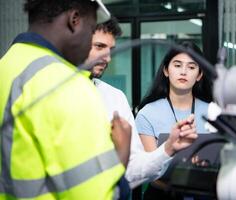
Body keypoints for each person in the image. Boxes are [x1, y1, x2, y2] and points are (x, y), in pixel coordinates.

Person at [0, 0, 129, 199]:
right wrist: (122, 153)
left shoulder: (7, 65)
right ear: (74, 20)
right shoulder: (67, 84)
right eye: (91, 29)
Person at [85, 17, 199, 188]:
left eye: (111, 50)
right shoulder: (52, 91)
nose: (108, 58)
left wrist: (167, 148)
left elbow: (133, 169)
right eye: (99, 46)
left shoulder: (115, 97)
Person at [135, 41, 212, 199]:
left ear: (199, 75)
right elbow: (149, 170)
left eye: (191, 67)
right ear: (166, 70)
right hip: (162, 195)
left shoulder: (213, 112)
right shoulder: (147, 113)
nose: (183, 72)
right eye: (177, 65)